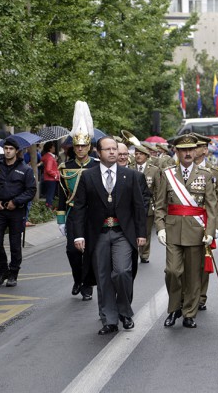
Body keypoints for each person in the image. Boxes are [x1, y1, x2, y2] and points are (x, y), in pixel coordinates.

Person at [73, 136, 147, 335]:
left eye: (115, 148)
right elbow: (79, 208)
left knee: (123, 272)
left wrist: (141, 233)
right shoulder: (88, 176)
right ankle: (109, 320)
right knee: (103, 277)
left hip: (123, 233)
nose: (113, 152)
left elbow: (139, 207)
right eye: (108, 149)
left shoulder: (129, 176)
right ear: (98, 152)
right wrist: (78, 236)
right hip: (98, 234)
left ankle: (124, 311)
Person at [154, 135, 217, 329]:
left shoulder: (205, 175)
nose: (188, 153)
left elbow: (211, 207)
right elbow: (160, 205)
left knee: (193, 276)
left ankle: (189, 312)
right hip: (173, 231)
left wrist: (210, 231)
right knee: (172, 271)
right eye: (183, 150)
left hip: (196, 231)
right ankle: (174, 309)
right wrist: (161, 228)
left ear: (196, 150)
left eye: (191, 149)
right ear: (177, 152)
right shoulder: (167, 174)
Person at [57, 101, 100, 300]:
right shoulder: (65, 167)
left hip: (93, 214)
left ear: (89, 146)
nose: (80, 149)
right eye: (77, 146)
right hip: (74, 213)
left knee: (90, 251)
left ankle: (86, 285)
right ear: (73, 147)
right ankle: (77, 278)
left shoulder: (98, 166)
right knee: (72, 252)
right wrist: (60, 219)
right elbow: (62, 195)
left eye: (84, 145)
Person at [0, 137, 37, 287]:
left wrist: (16, 202)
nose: (8, 151)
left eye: (11, 149)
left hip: (16, 211)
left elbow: (31, 190)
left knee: (15, 244)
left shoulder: (25, 169)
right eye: (6, 148)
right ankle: (3, 270)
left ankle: (13, 273)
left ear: (16, 151)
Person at [191, 133, 218, 311]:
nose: (191, 150)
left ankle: (201, 296)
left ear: (205, 150)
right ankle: (186, 295)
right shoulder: (177, 170)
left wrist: (217, 226)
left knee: (204, 261)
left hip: (206, 222)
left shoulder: (215, 172)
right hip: (185, 220)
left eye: (196, 146)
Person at [128, 145, 162, 264]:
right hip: (131, 205)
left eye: (141, 154)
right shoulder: (130, 167)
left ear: (146, 156)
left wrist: (158, 206)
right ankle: (133, 253)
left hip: (148, 205)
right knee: (132, 230)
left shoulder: (154, 170)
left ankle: (144, 254)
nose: (138, 156)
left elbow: (158, 190)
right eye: (136, 154)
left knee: (145, 231)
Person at [41, 142, 60, 209]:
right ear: (50, 148)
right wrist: (55, 175)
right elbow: (49, 169)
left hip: (48, 178)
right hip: (51, 179)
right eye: (53, 147)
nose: (54, 148)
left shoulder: (48, 156)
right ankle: (48, 208)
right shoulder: (49, 158)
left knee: (49, 194)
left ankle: (48, 207)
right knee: (50, 194)